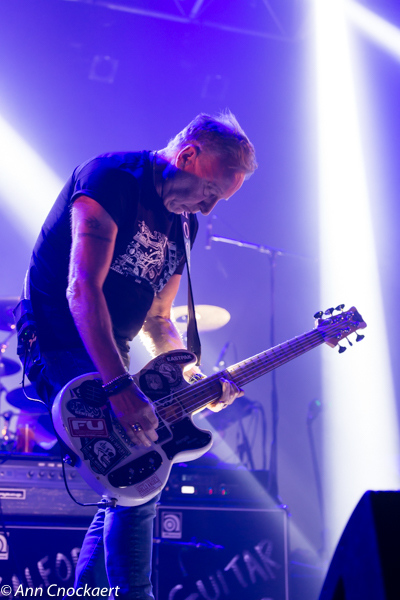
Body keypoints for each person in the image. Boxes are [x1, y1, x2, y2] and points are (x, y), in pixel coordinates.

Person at [21, 111, 257, 598]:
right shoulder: (112, 179)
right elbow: (81, 290)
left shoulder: (184, 226)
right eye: (209, 191)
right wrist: (118, 386)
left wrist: (193, 380)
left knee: (126, 479)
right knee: (144, 466)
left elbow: (158, 319)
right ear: (187, 156)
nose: (208, 207)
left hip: (110, 352)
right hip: (55, 337)